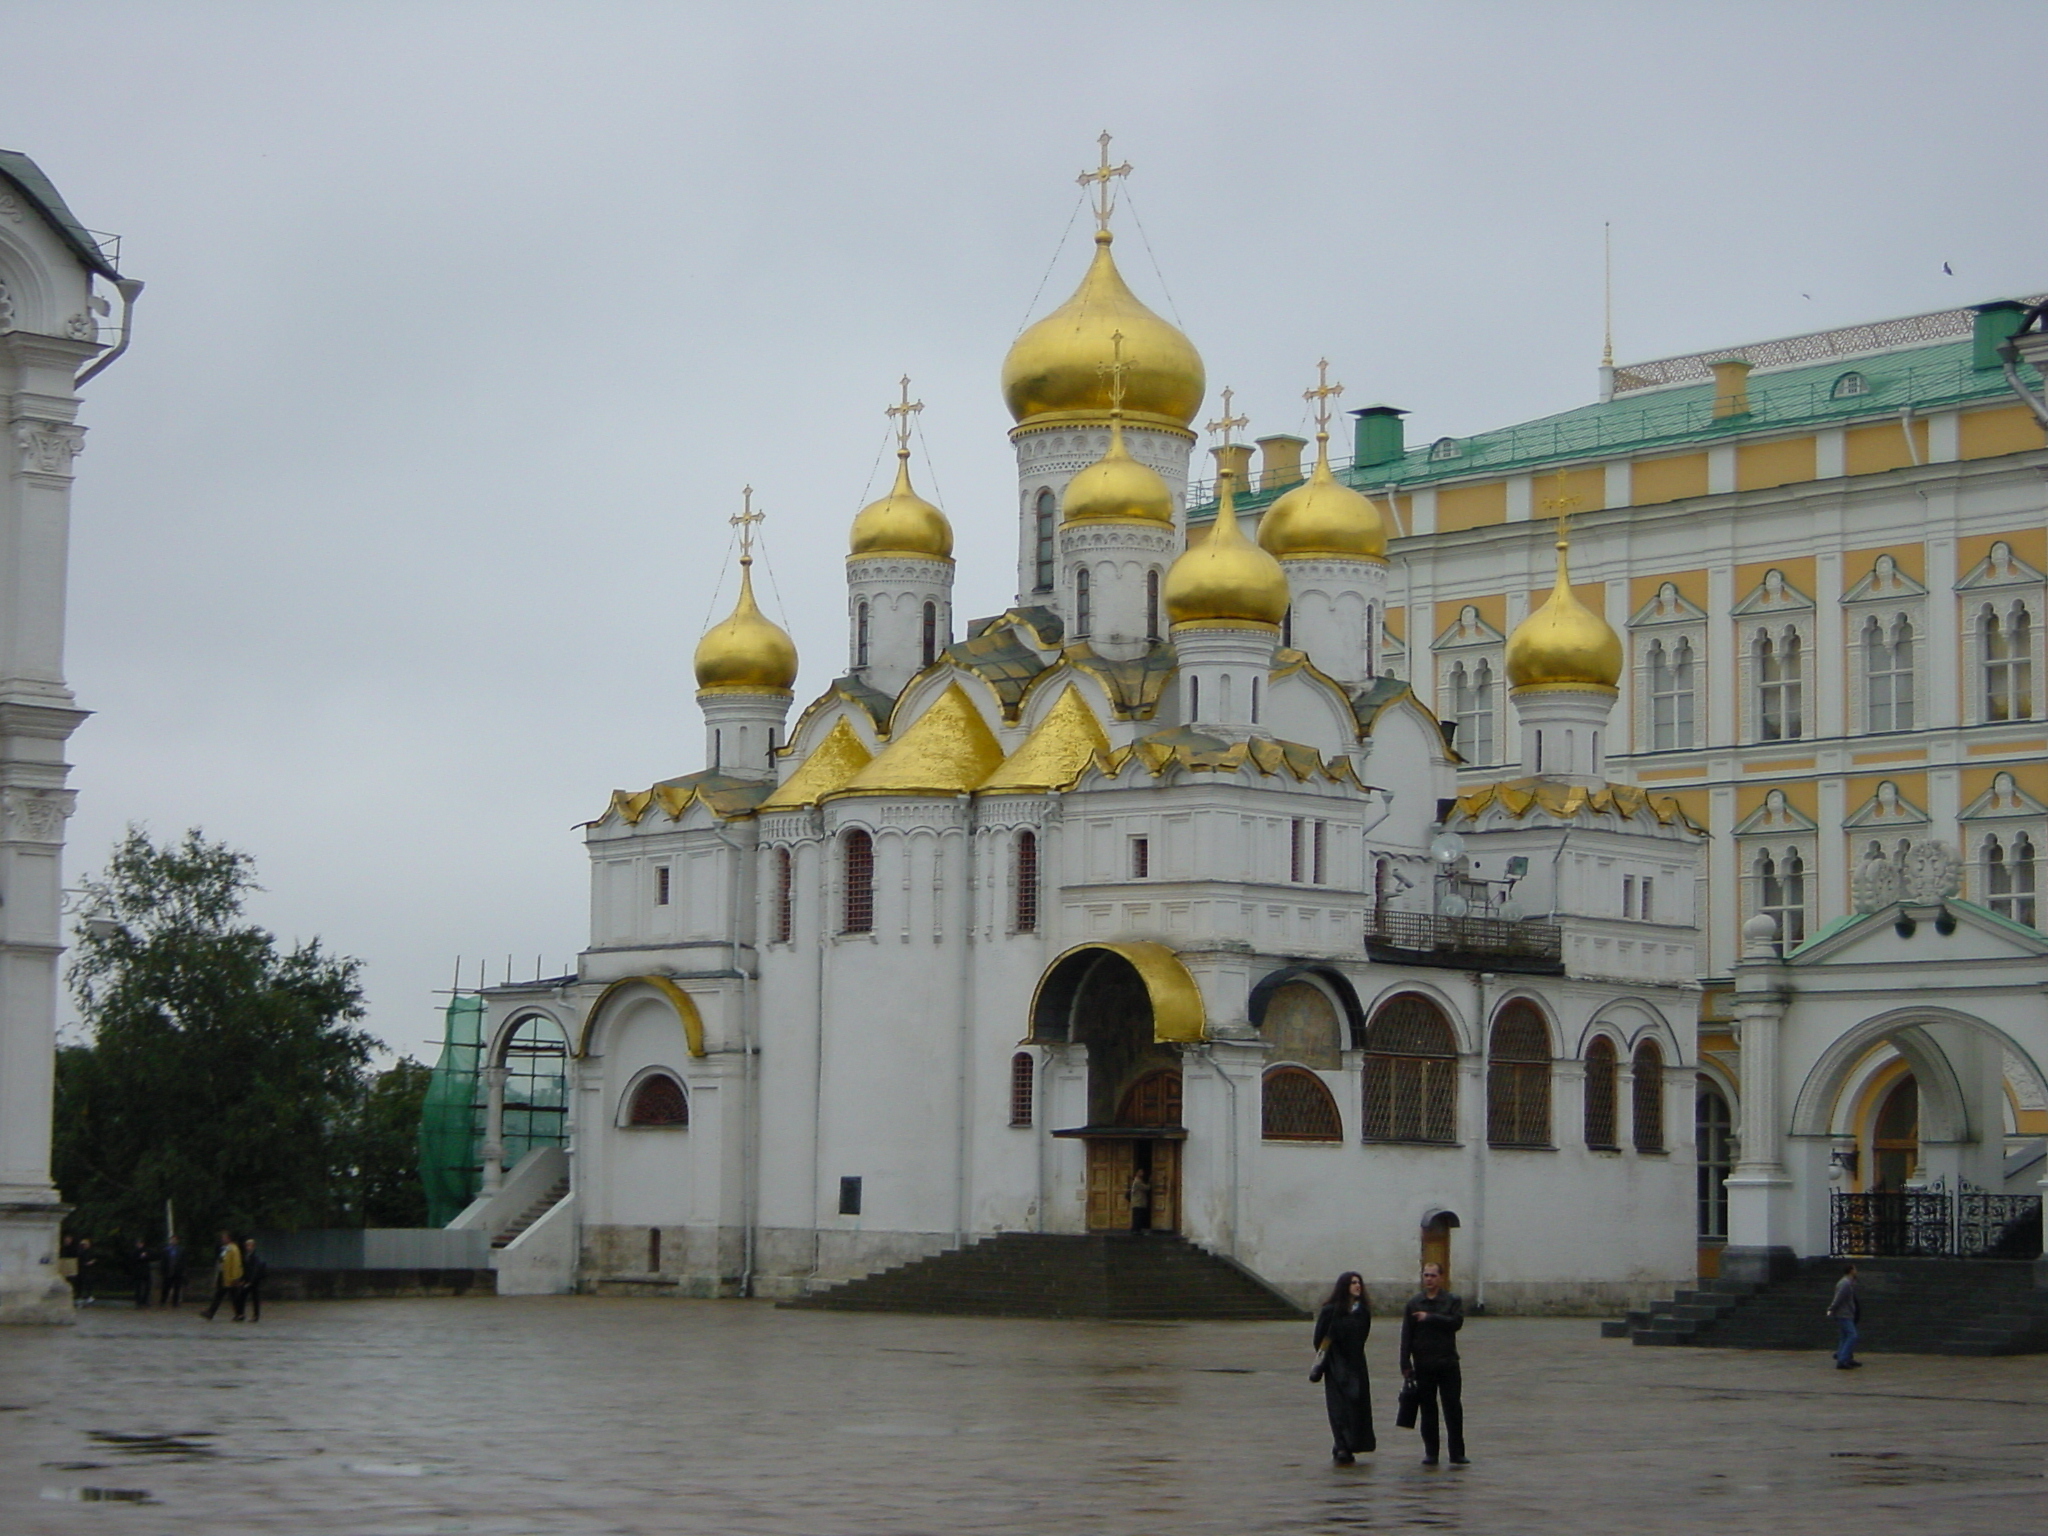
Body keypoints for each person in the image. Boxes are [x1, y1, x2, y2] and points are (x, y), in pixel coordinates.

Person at [1399, 1261, 1467, 1466]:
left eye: (1433, 1275)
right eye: (1426, 1275)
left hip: (1447, 1362)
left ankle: (1457, 1453)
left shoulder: (1452, 1300)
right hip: (1423, 1364)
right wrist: (1405, 1363)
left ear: (1441, 1278)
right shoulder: (1414, 1303)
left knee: (1452, 1408)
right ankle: (1431, 1453)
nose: (1429, 1279)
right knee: (1428, 1410)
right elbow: (1407, 1335)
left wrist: (1430, 1318)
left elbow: (1456, 1323)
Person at [1313, 1272, 1375, 1464]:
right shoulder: (1330, 1311)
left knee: (1356, 1404)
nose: (1357, 1286)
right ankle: (1341, 1445)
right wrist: (1331, 1359)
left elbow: (1362, 1336)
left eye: (1359, 1283)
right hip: (1335, 1363)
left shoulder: (1362, 1311)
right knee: (1339, 1406)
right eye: (1353, 1283)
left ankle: (1352, 1442)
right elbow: (1320, 1339)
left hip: (1356, 1362)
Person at [201, 1231, 244, 1321]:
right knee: (222, 1295)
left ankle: (239, 1314)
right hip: (224, 1275)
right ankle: (211, 1312)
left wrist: (235, 1277)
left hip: (229, 1277)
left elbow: (236, 1264)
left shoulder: (233, 1249)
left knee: (232, 1296)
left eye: (224, 1237)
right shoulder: (226, 1248)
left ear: (229, 1238)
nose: (222, 1239)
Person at [1827, 1263, 1861, 1369]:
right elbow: (1838, 1298)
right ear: (1851, 1270)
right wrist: (1831, 1309)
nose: (1856, 1271)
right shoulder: (1845, 1283)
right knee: (1852, 1335)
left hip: (1847, 1313)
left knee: (1844, 1336)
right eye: (1855, 1269)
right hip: (1844, 1314)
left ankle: (1842, 1355)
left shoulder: (1848, 1282)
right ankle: (1842, 1359)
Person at [240, 1237, 267, 1323]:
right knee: (242, 1296)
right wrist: (243, 1279)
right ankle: (242, 1314)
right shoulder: (246, 1256)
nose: (248, 1247)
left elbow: (255, 1269)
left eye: (250, 1246)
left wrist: (251, 1281)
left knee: (254, 1298)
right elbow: (245, 1269)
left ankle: (255, 1316)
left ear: (253, 1247)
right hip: (248, 1280)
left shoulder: (255, 1257)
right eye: (247, 1246)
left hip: (253, 1281)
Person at [159, 1236, 186, 1308]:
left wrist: (183, 1271)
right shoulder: (166, 1250)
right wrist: (162, 1271)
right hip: (168, 1272)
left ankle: (175, 1302)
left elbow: (183, 1261)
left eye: (175, 1240)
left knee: (177, 1288)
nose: (173, 1241)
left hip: (177, 1272)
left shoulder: (181, 1250)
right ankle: (163, 1301)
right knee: (166, 1287)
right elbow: (163, 1262)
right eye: (172, 1240)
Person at [130, 1237, 153, 1309]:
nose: (139, 1245)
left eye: (140, 1243)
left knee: (147, 1287)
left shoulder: (147, 1250)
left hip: (146, 1271)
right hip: (138, 1272)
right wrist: (140, 1257)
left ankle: (145, 1301)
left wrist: (145, 1257)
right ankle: (138, 1302)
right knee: (138, 1288)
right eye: (138, 1244)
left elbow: (151, 1257)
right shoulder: (134, 1251)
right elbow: (133, 1260)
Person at [1127, 1168, 1151, 1235]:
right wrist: (1150, 1182)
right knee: (1137, 1216)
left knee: (1137, 1216)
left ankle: (1135, 1229)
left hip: (1138, 1202)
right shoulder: (1137, 1181)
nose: (1142, 1173)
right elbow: (1147, 1188)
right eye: (1140, 1172)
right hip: (1138, 1202)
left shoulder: (1138, 1181)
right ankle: (1136, 1230)